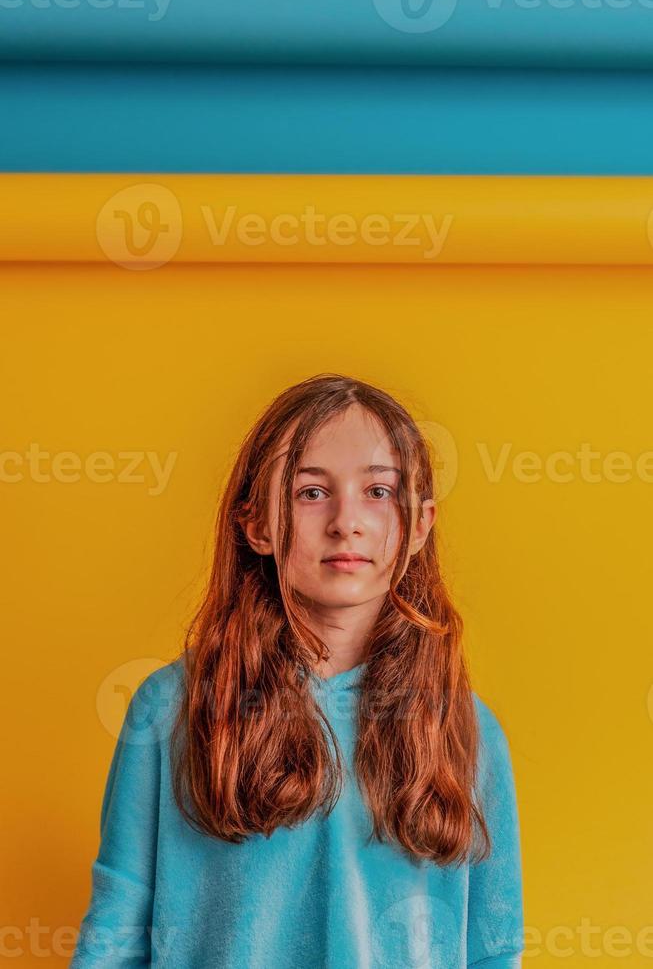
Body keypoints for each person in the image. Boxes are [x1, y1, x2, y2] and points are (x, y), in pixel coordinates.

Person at [71, 372, 525, 968]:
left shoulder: (466, 728)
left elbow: (493, 950)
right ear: (256, 523)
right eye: (311, 492)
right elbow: (116, 930)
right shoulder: (171, 708)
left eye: (379, 492)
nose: (347, 521)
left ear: (419, 525)